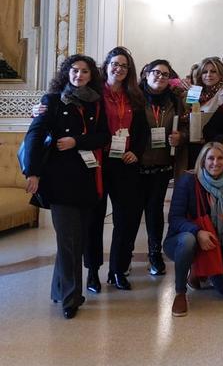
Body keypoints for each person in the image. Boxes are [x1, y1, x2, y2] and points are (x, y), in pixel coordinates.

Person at [21, 54, 110, 319]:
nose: (78, 75)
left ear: (91, 76)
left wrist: (76, 141)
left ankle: (59, 289)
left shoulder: (96, 103)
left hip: (87, 180)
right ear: (66, 73)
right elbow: (35, 134)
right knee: (69, 240)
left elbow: (103, 136)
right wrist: (32, 172)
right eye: (74, 70)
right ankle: (71, 298)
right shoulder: (52, 100)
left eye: (84, 71)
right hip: (59, 181)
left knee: (74, 240)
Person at [85, 47, 147, 293]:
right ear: (107, 65)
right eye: (115, 64)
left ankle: (118, 270)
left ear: (128, 70)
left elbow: (142, 131)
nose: (119, 69)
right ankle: (92, 272)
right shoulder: (94, 93)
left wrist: (137, 152)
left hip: (125, 163)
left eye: (124, 65)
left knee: (126, 219)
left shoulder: (135, 96)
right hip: (99, 162)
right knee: (94, 219)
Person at [163, 142, 223, 317]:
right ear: (202, 161)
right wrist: (197, 232)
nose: (215, 163)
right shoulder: (188, 181)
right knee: (188, 240)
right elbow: (175, 218)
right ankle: (180, 292)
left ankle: (201, 270)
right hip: (182, 242)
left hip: (215, 245)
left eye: (220, 158)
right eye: (211, 158)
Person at [138, 59, 187, 276]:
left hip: (162, 164)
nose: (160, 77)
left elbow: (186, 126)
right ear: (147, 74)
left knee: (155, 212)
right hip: (135, 164)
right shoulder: (135, 98)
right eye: (156, 72)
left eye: (165, 74)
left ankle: (155, 254)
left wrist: (181, 137)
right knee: (131, 214)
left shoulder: (175, 101)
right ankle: (123, 257)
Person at [188, 57, 223, 167]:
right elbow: (186, 115)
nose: (208, 75)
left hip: (217, 146)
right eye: (205, 72)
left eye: (213, 71)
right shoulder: (194, 91)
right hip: (194, 145)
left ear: (221, 74)